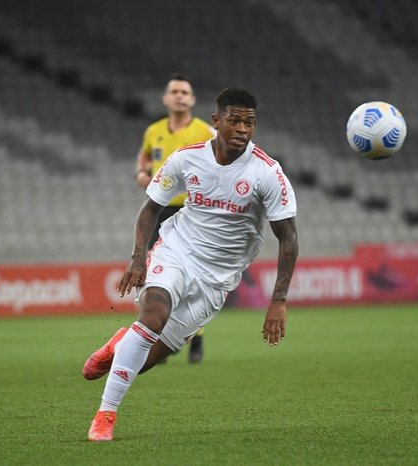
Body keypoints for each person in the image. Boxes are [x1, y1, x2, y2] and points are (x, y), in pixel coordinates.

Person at [83, 87, 299, 441]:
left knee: (144, 359)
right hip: (177, 252)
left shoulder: (267, 173)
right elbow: (151, 208)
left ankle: (119, 345)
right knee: (153, 315)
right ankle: (105, 415)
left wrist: (279, 300)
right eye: (234, 120)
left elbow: (288, 238)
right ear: (216, 121)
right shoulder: (186, 159)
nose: (242, 129)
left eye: (249, 122)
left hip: (217, 280)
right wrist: (138, 258)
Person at [134, 72, 215, 363]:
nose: (180, 96)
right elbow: (144, 156)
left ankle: (195, 337)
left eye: (185, 92)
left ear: (192, 99)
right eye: (175, 92)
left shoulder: (206, 132)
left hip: (192, 213)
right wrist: (141, 172)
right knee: (157, 274)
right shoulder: (153, 131)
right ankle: (158, 335)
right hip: (159, 210)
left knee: (193, 276)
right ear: (166, 98)